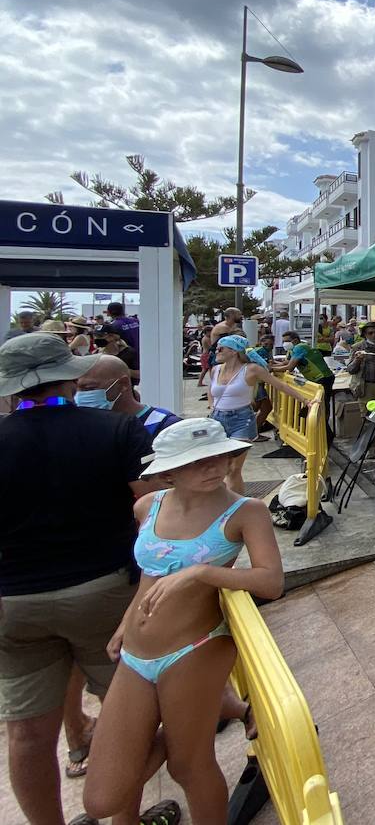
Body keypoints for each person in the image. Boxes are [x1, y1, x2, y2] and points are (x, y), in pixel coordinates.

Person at [0, 334, 175, 825]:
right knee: (131, 719)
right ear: (72, 378)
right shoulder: (116, 431)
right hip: (105, 593)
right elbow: (154, 513)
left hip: (13, 603)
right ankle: (124, 817)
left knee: (27, 734)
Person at [83, 419, 283, 825]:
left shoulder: (246, 512)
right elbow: (149, 575)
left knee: (188, 766)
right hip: (137, 653)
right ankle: (213, 717)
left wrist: (202, 573)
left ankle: (203, 722)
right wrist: (127, 620)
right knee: (101, 799)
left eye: (218, 456)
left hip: (196, 646)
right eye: (196, 462)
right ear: (167, 471)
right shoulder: (148, 506)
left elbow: (270, 581)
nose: (212, 467)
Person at [210, 334, 311, 493]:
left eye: (221, 348)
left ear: (234, 351)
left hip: (242, 420)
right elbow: (211, 392)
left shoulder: (252, 369)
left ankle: (235, 507)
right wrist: (211, 407)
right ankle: (225, 500)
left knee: (233, 469)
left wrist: (305, 400)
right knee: (220, 467)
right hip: (217, 419)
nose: (217, 351)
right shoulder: (215, 370)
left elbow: (280, 386)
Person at [77, 355, 181, 437]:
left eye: (89, 388)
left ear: (123, 384)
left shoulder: (166, 427)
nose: (79, 395)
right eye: (75, 389)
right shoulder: (84, 426)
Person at [274, 330, 337, 445]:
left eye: (287, 341)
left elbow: (290, 367)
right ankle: (320, 436)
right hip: (319, 379)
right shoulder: (295, 349)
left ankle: (326, 438)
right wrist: (273, 364)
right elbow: (287, 362)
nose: (285, 344)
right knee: (314, 409)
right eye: (283, 341)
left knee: (319, 410)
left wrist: (270, 369)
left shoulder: (300, 347)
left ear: (295, 340)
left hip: (322, 379)